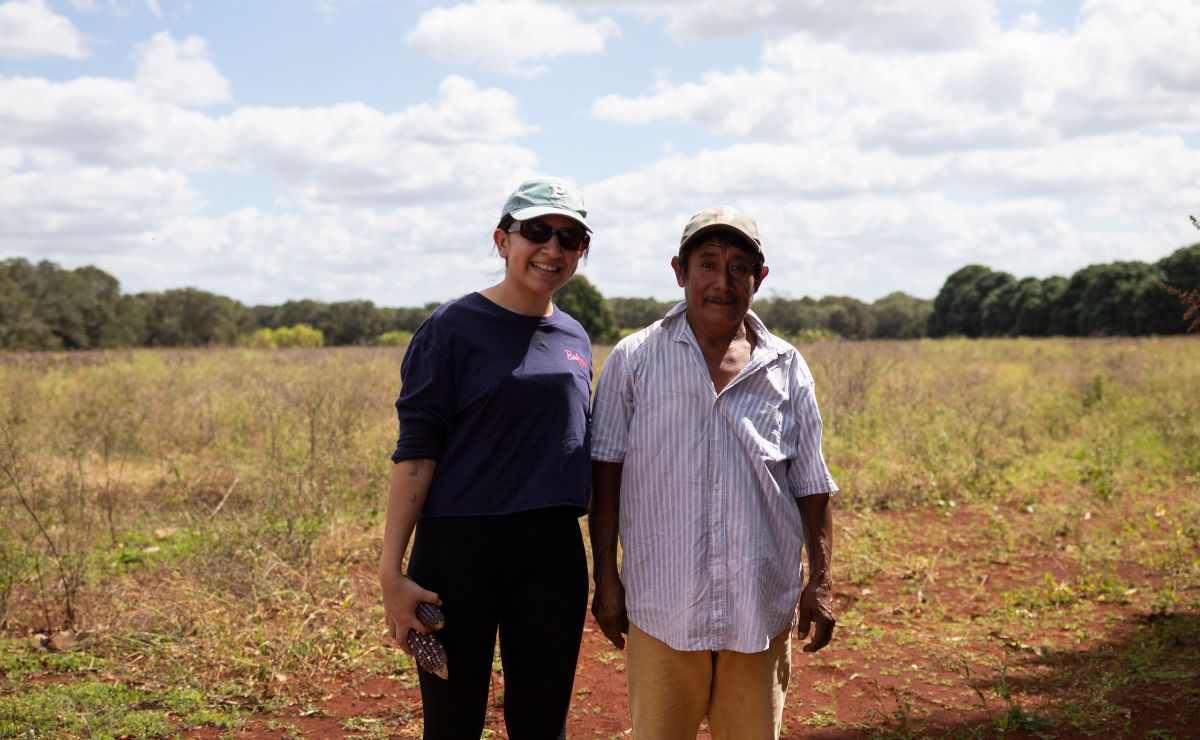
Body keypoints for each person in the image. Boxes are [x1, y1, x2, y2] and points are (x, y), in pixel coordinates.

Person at [588, 205, 838, 740]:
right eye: (707, 264)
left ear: (759, 279)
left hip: (759, 605)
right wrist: (606, 579)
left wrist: (820, 582)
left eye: (739, 267)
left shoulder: (786, 366)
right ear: (679, 272)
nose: (723, 282)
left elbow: (812, 487)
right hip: (662, 605)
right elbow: (605, 477)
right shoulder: (634, 360)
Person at [379, 176, 595, 739]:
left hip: (552, 555)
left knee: (542, 724)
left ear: (581, 252)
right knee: (452, 724)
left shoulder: (574, 335)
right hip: (457, 554)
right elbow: (417, 452)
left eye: (569, 238)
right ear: (503, 241)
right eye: (537, 232)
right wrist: (390, 573)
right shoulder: (451, 327)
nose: (552, 248)